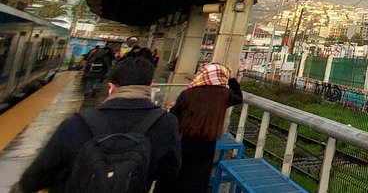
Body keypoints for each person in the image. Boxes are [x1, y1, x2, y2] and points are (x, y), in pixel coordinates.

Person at [16, 57, 182, 193]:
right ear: (150, 86)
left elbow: (39, 173)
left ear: (111, 88)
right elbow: (170, 172)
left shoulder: (77, 122)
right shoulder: (166, 123)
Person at [159, 62, 242, 193]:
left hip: (183, 140)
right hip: (207, 143)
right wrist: (232, 78)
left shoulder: (188, 93)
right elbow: (238, 97)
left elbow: (174, 116)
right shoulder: (223, 96)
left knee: (175, 175)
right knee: (198, 178)